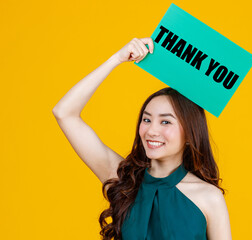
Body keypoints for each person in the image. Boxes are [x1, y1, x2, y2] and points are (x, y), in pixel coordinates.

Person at [52, 37, 232, 240]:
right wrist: (116, 59)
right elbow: (64, 113)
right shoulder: (123, 179)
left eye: (165, 122)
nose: (151, 131)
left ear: (191, 134)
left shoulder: (209, 197)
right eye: (147, 119)